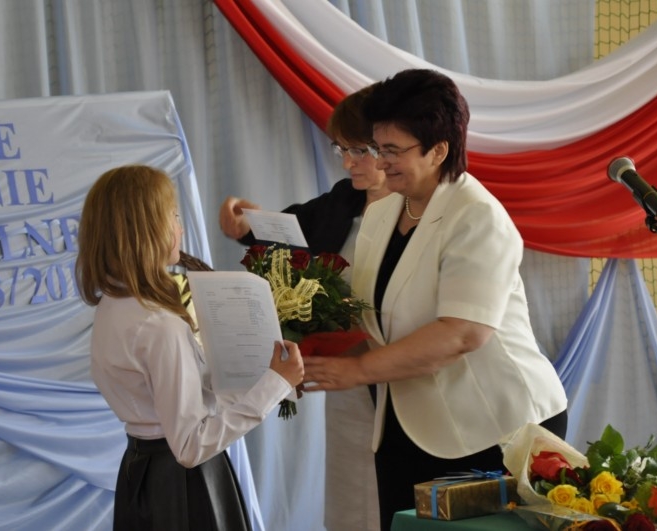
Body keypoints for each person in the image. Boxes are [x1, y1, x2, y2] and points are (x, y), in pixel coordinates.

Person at [302, 69, 569, 531]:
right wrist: (307, 353)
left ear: (439, 150)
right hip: (405, 422)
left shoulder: (477, 216)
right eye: (377, 147)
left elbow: (462, 333)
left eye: (392, 150)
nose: (380, 162)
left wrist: (358, 371)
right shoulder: (384, 212)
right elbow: (370, 316)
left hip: (494, 426)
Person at [76, 164, 304, 531]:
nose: (180, 228)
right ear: (147, 230)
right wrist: (275, 384)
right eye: (173, 216)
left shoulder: (113, 305)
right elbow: (190, 445)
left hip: (141, 472)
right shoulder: (160, 325)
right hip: (183, 486)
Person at [220, 85, 389, 531]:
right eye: (342, 150)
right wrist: (244, 225)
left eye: (360, 150)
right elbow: (288, 229)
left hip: (403, 371)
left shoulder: (421, 210)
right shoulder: (343, 199)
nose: (348, 162)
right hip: (347, 377)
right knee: (353, 499)